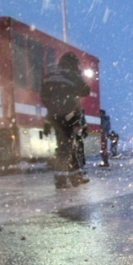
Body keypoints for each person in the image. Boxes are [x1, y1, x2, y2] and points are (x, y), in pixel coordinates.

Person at [41, 52, 90, 189]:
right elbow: (85, 91)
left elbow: (43, 97)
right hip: (68, 114)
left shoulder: (50, 75)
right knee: (65, 146)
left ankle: (76, 177)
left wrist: (53, 109)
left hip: (54, 115)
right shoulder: (72, 74)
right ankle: (61, 179)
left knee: (66, 144)